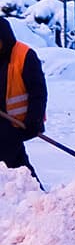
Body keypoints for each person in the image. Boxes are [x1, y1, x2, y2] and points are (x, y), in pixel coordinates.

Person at [0, 18, 48, 176]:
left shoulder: (24, 56)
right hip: (3, 123)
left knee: (14, 165)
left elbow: (38, 93)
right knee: (16, 166)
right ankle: (35, 195)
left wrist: (33, 120)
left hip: (18, 123)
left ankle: (35, 196)